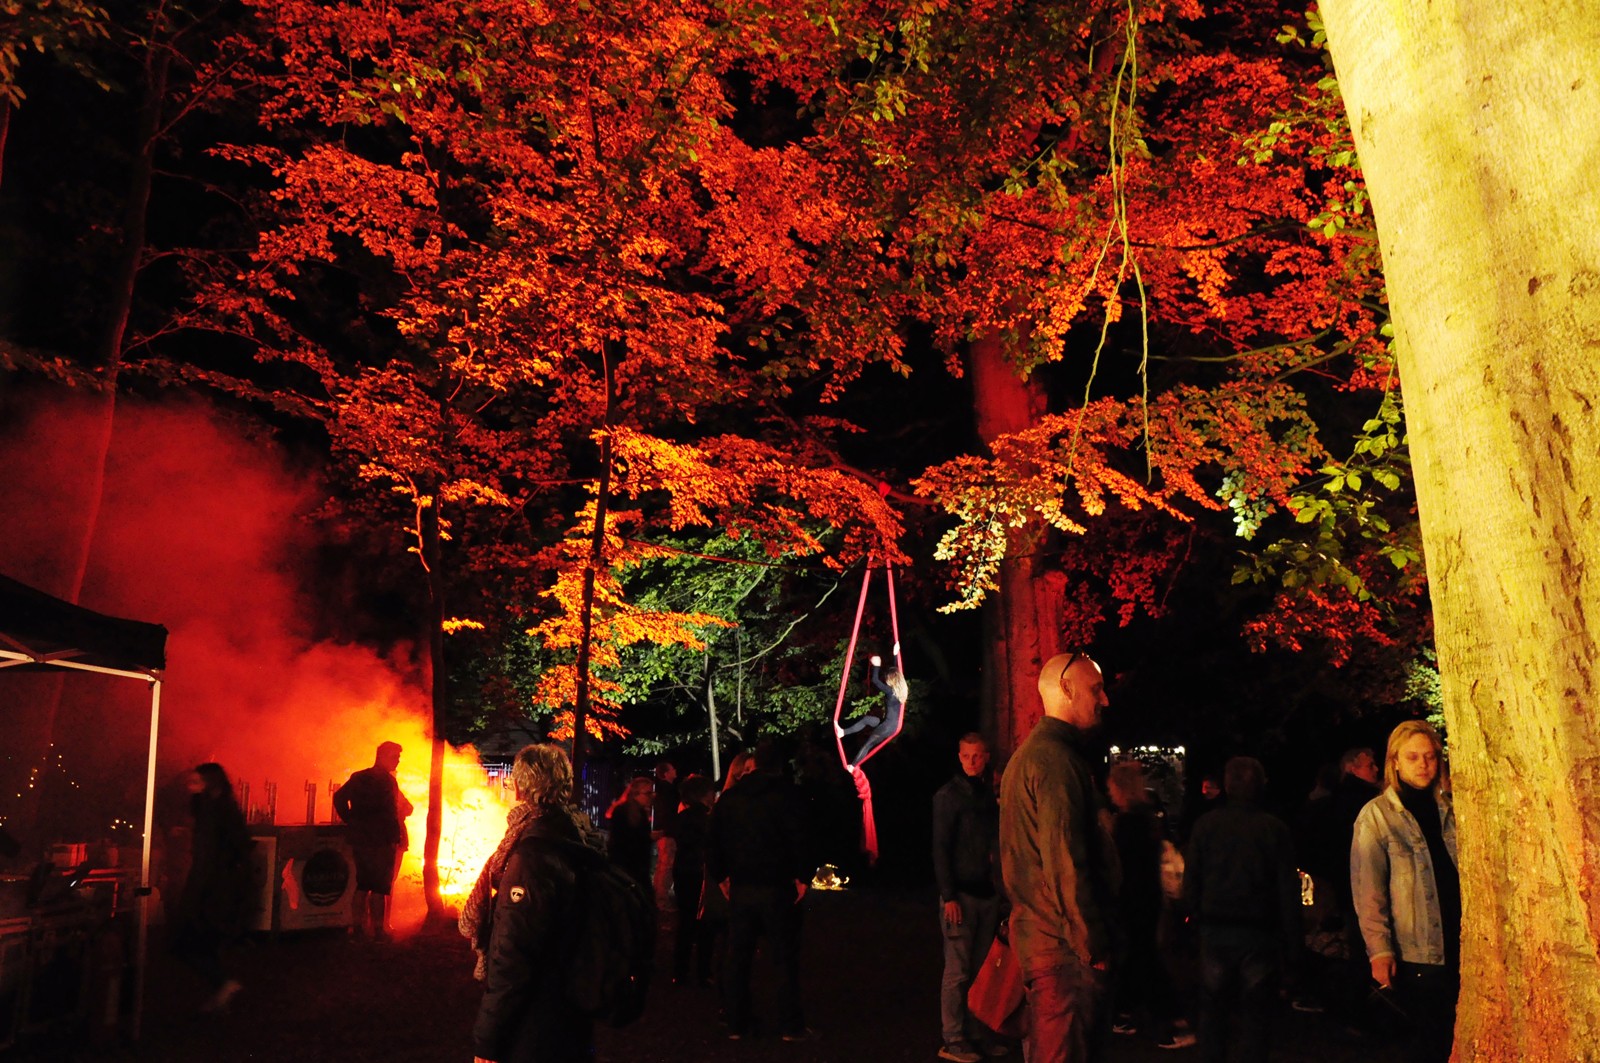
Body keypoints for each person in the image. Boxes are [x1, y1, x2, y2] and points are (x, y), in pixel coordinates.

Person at [999, 651, 1117, 1063]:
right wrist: (1092, 947)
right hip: (1063, 953)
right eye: (1096, 689)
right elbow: (1065, 861)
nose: (1104, 700)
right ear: (1066, 690)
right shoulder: (1055, 760)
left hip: (1046, 946)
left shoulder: (1032, 756)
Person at [470, 743, 595, 1063]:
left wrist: (487, 1041)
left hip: (534, 1027)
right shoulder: (576, 835)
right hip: (572, 1014)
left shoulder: (533, 854)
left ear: (523, 787)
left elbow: (513, 955)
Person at [1351, 721, 1459, 1063]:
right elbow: (1369, 890)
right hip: (1417, 953)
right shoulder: (1377, 817)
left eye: (1429, 756)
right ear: (1395, 761)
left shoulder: (1453, 810)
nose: (1423, 764)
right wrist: (1379, 950)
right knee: (1428, 1044)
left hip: (1462, 946)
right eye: (1412, 757)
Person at [1183, 756, 1299, 1063]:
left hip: (1216, 928)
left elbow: (1192, 878)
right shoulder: (1274, 829)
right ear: (1261, 785)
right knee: (1256, 1014)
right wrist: (1293, 944)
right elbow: (1287, 890)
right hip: (1258, 932)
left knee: (1213, 1011)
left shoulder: (1206, 825)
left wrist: (1194, 919)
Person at [706, 739, 811, 1042]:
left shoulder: (731, 799)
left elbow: (713, 841)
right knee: (783, 957)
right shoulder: (788, 797)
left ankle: (737, 1022)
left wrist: (721, 875)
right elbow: (801, 837)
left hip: (741, 886)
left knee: (738, 956)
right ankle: (789, 1024)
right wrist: (802, 875)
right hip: (777, 886)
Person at [1106, 761, 1192, 1050]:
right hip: (1148, 899)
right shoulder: (1148, 820)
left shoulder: (1127, 823)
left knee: (1143, 959)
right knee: (1139, 957)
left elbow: (1123, 868)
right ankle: (1124, 1010)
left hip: (1133, 900)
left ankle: (1173, 1018)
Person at [932, 733, 1003, 1063]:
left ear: (985, 757)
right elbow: (941, 847)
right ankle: (954, 1036)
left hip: (984, 892)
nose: (972, 762)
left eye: (977, 756)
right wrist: (949, 895)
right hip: (962, 892)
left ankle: (974, 1033)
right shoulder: (949, 797)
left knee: (978, 970)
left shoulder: (986, 796)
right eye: (966, 756)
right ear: (959, 757)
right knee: (958, 971)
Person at [172, 763, 253, 1012]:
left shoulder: (215, 811)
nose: (190, 786)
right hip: (218, 886)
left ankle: (222, 984)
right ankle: (220, 990)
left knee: (184, 941)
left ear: (210, 782)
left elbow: (211, 854)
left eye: (196, 781)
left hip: (211, 888)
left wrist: (195, 891)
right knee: (202, 940)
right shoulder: (215, 808)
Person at [333, 740, 414, 940]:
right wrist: (396, 835)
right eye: (395, 757)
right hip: (382, 841)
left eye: (399, 757)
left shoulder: (358, 777)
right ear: (382, 756)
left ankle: (358, 928)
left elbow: (339, 798)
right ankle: (378, 930)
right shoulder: (387, 781)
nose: (398, 761)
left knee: (363, 884)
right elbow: (395, 811)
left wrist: (351, 819)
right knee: (379, 887)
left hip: (362, 839)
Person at [671, 774, 715, 987]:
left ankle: (680, 972)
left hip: (682, 871)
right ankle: (703, 972)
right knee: (704, 923)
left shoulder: (682, 818)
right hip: (700, 871)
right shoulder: (708, 819)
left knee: (685, 922)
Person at [838, 649, 906, 768]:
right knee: (868, 720)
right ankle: (843, 732)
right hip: (891, 725)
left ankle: (853, 766)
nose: (886, 681)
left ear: (891, 681)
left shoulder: (890, 692)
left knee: (867, 745)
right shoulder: (901, 690)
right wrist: (895, 653)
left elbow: (875, 680)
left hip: (887, 727)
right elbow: (897, 670)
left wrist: (876, 666)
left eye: (887, 680)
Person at [606, 776, 655, 889]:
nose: (651, 797)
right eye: (648, 793)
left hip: (637, 867)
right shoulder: (622, 812)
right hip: (626, 867)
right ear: (636, 794)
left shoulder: (641, 812)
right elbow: (621, 840)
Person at [652, 760, 680, 910]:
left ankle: (657, 896)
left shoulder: (664, 790)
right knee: (666, 866)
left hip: (665, 832)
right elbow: (669, 814)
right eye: (672, 768)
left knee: (662, 865)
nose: (675, 770)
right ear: (666, 773)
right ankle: (661, 900)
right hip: (667, 833)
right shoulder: (668, 791)